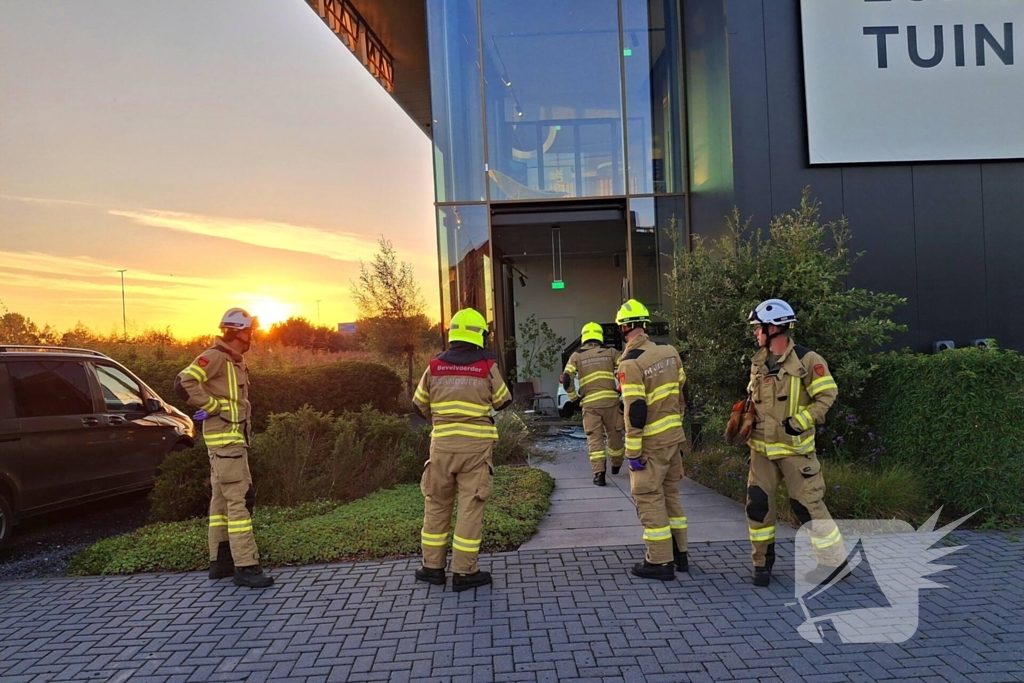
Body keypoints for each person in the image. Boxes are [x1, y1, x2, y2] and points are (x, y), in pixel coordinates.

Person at [743, 298, 848, 587]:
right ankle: (761, 564)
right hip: (761, 451)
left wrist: (801, 421)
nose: (756, 333)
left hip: (795, 451)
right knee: (757, 506)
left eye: (758, 328)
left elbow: (827, 396)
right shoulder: (759, 362)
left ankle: (834, 564)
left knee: (808, 506)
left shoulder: (808, 360)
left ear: (774, 329)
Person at [412, 308, 512, 591]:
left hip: (441, 448)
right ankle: (464, 573)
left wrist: (442, 419)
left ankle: (431, 568)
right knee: (470, 508)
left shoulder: (434, 366)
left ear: (453, 333)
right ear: (480, 334)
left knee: (436, 505)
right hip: (475, 450)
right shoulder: (486, 366)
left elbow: (418, 404)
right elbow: (503, 400)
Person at [175, 308, 273, 588]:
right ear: (240, 332)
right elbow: (183, 382)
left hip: (225, 443)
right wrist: (212, 406)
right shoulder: (217, 357)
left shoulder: (232, 361)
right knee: (241, 500)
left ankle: (221, 563)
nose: (252, 336)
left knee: (220, 503)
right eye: (250, 331)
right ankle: (246, 566)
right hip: (227, 443)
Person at [615, 300, 689, 581]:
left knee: (649, 498)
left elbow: (635, 411)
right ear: (644, 324)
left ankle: (659, 562)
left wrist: (632, 452)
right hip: (673, 438)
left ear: (624, 327)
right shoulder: (670, 352)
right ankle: (681, 555)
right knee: (671, 496)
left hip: (651, 444)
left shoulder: (630, 363)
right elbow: (682, 393)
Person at [560, 322, 624, 486]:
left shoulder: (576, 356)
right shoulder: (611, 352)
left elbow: (566, 379)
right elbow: (625, 372)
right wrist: (621, 391)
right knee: (615, 435)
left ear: (584, 337)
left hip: (590, 405)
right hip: (611, 402)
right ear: (600, 336)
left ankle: (599, 474)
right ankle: (616, 465)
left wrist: (574, 399)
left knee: (594, 439)